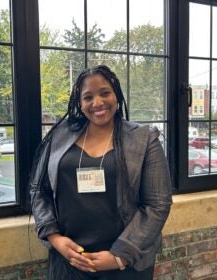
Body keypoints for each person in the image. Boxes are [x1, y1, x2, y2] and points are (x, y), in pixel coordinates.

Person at [30, 65, 172, 279]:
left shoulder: (144, 138)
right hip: (69, 261)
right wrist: (54, 238)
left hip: (124, 264)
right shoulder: (60, 135)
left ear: (116, 94)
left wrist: (120, 256)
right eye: (88, 97)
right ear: (80, 103)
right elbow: (38, 189)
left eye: (104, 93)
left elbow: (157, 204)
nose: (97, 103)